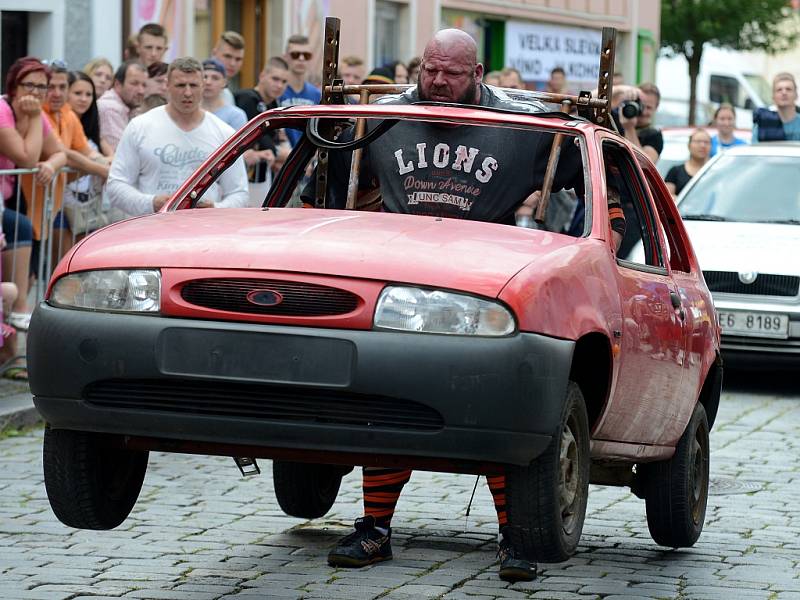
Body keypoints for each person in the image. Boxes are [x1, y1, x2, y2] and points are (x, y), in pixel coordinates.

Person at [319, 30, 624, 583]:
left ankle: (515, 538)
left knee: (497, 414)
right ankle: (374, 530)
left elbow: (597, 179)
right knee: (389, 405)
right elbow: (328, 181)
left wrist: (608, 242)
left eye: (451, 73)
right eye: (429, 69)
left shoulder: (523, 126)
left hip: (486, 285)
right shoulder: (382, 118)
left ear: (477, 72)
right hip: (397, 277)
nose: (437, 81)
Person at [107, 57, 248, 216]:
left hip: (203, 232)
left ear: (202, 85)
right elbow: (116, 185)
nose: (187, 93)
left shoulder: (224, 133)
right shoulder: (139, 127)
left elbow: (239, 193)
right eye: (180, 85)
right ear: (167, 85)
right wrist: (151, 203)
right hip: (151, 231)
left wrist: (215, 209)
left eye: (193, 85)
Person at [0, 57, 65, 330]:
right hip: (4, 201)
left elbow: (59, 152)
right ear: (14, 86)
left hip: (6, 198)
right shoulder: (3, 108)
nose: (36, 92)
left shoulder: (36, 114)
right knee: (21, 226)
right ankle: (18, 307)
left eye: (42, 87)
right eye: (30, 85)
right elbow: (26, 159)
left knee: (25, 228)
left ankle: (18, 308)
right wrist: (37, 117)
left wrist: (50, 164)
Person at [23, 62, 109, 259]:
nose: (57, 93)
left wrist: (107, 164)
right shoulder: (39, 113)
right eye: (51, 87)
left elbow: (86, 152)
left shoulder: (68, 114)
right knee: (37, 272)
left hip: (53, 203)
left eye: (62, 87)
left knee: (42, 271)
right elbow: (65, 154)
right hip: (29, 202)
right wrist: (103, 170)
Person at [62, 71, 114, 237]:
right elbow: (65, 156)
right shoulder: (60, 122)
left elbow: (113, 158)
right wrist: (98, 167)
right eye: (78, 93)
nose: (84, 99)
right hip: (62, 206)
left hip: (91, 204)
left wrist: (90, 164)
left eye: (88, 94)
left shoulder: (92, 128)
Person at [235, 56, 290, 204]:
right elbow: (258, 136)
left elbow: (278, 137)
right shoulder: (248, 98)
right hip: (242, 176)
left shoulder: (274, 104)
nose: (279, 85)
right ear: (262, 76)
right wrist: (280, 153)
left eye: (284, 82)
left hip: (261, 175)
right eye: (275, 79)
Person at [279, 34, 321, 147]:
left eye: (306, 55)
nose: (301, 59)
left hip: (308, 158)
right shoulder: (277, 91)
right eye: (295, 55)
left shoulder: (316, 94)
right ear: (285, 57)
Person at [97, 60, 147, 151]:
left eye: (144, 85)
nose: (141, 91)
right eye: (134, 84)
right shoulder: (110, 108)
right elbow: (121, 151)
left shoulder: (131, 106)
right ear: (118, 84)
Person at [614, 82, 663, 163]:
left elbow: (644, 165)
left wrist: (629, 128)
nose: (643, 112)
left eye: (649, 108)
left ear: (656, 107)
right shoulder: (615, 120)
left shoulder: (654, 136)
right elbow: (589, 100)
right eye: (641, 105)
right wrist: (619, 89)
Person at [752, 72, 800, 142]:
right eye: (779, 90)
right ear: (773, 96)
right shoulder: (762, 124)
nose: (784, 93)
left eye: (788, 89)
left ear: (796, 95)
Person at [201, 58, 247, 130]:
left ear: (224, 83)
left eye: (215, 78)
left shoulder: (236, 116)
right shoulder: (188, 112)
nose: (208, 82)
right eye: (204, 77)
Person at [664, 128, 711, 197]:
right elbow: (668, 199)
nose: (702, 145)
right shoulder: (675, 172)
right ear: (689, 145)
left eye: (706, 142)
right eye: (698, 141)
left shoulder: (715, 172)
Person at [212, 31, 246, 105]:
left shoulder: (228, 94)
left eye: (238, 59)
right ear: (214, 54)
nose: (232, 64)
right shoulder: (199, 87)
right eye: (227, 56)